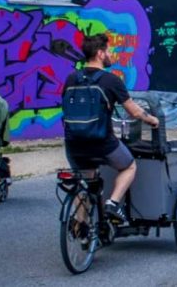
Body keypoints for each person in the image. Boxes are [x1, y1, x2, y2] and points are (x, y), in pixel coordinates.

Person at [63, 33, 159, 224]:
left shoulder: (72, 79)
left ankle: (81, 229)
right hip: (102, 143)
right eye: (109, 51)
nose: (111, 55)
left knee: (85, 182)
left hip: (74, 144)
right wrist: (152, 120)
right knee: (129, 166)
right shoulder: (111, 80)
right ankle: (113, 203)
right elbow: (134, 111)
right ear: (100, 53)